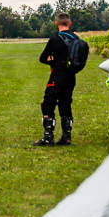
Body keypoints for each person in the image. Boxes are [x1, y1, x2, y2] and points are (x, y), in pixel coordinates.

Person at [32, 13, 78, 147]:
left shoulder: (55, 39)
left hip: (57, 75)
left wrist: (51, 61)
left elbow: (42, 57)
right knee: (65, 103)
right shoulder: (76, 38)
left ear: (57, 24)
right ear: (70, 24)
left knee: (48, 103)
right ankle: (66, 137)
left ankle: (48, 136)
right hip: (71, 76)